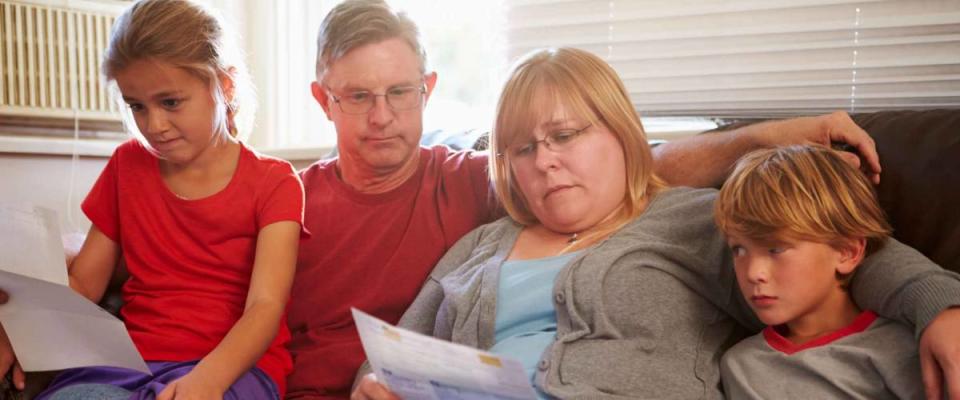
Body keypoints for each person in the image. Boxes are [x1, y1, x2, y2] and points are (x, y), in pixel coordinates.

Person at [285, 2, 908, 399]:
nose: (546, 160)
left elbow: (832, 255)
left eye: (565, 136)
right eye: (524, 149)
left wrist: (939, 307)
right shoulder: (480, 241)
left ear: (620, 132)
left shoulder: (690, 221)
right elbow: (397, 353)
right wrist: (372, 382)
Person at [0, 0, 305, 399]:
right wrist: (18, 330)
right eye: (137, 107)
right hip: (126, 361)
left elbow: (265, 307)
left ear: (224, 85)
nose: (154, 125)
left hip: (232, 368)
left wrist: (208, 381)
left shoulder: (276, 182)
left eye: (171, 102)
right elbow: (85, 284)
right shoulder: (127, 165)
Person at [715, 145, 923, 399]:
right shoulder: (740, 366)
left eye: (776, 249)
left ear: (847, 252)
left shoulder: (902, 350)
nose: (753, 273)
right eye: (739, 250)